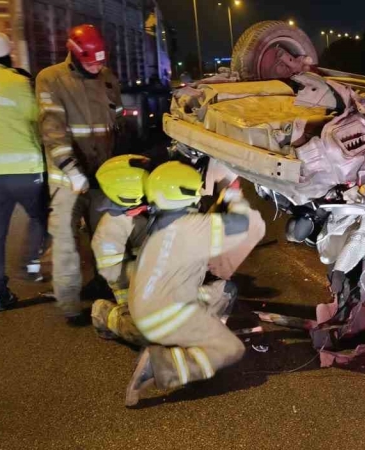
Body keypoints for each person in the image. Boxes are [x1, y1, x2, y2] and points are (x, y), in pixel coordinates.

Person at [124, 162, 266, 406]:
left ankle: (197, 339)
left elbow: (206, 223)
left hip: (147, 304)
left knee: (225, 290)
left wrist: (219, 203)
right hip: (167, 313)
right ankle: (161, 366)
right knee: (231, 349)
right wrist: (233, 193)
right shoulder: (191, 227)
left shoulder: (162, 222)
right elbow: (241, 224)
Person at [35, 24, 125, 322]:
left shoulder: (107, 77)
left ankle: (105, 287)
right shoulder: (51, 79)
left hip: (103, 174)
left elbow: (118, 122)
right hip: (68, 178)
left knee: (106, 236)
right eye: (91, 63)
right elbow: (52, 129)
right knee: (65, 240)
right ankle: (70, 304)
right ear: (75, 55)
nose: (97, 67)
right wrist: (71, 169)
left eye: (100, 61)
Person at [0, 29, 48, 312]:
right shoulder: (17, 82)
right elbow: (38, 118)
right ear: (6, 54)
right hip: (25, 170)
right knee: (44, 217)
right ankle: (32, 264)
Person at [90, 155, 151, 346]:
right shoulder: (110, 228)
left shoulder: (135, 217)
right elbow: (115, 274)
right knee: (146, 334)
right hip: (131, 292)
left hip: (148, 285)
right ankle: (103, 313)